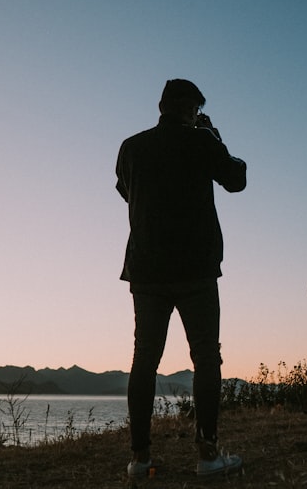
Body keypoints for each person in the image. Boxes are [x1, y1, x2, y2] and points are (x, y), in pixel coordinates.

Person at [116, 78, 247, 479]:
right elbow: (236, 179)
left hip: (147, 268)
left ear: (161, 106)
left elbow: (127, 190)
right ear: (191, 110)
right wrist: (212, 136)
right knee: (206, 357)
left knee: (145, 359)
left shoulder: (131, 147)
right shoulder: (201, 141)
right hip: (196, 268)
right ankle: (207, 454)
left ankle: (140, 459)